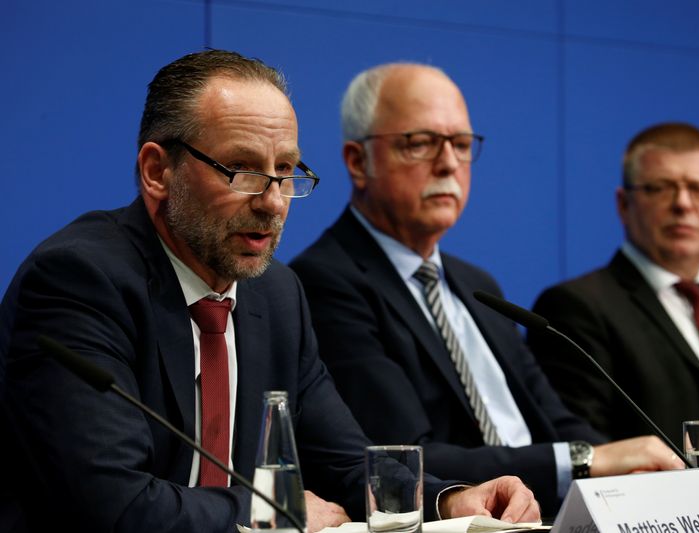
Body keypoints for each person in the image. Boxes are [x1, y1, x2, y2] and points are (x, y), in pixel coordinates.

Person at [0, 50, 540, 533]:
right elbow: (112, 505)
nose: (274, 202)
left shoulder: (277, 294)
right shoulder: (79, 280)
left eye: (285, 171)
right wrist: (271, 512)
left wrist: (451, 501)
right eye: (241, 169)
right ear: (157, 171)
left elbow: (348, 464)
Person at [289, 62, 684, 518]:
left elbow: (556, 422)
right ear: (359, 162)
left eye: (460, 144)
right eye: (420, 143)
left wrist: (635, 472)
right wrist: (585, 461)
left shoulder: (477, 285)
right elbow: (400, 456)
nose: (449, 163)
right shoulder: (325, 281)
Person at [529, 122, 699, 491]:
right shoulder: (576, 308)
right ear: (624, 204)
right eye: (661, 188)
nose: (683, 204)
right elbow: (587, 452)